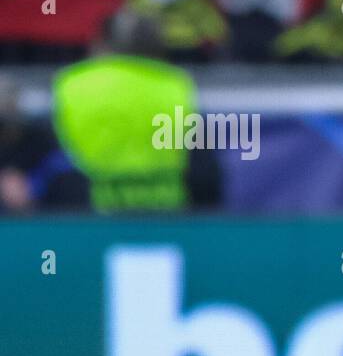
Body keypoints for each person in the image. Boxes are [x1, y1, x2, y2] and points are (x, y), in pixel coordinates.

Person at [51, 11, 222, 213]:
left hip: (83, 215)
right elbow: (204, 173)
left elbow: (50, 158)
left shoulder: (71, 83)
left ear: (100, 43)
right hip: (167, 217)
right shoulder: (177, 85)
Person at [0, 76, 90, 214]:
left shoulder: (40, 138)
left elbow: (60, 165)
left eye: (8, 106)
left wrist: (32, 186)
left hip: (44, 213)